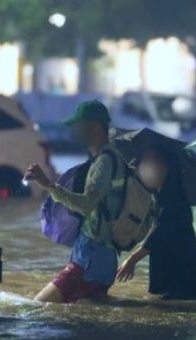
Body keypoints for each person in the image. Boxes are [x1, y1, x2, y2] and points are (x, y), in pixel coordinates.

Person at [25, 100, 124, 303]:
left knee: (37, 307)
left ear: (94, 127)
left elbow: (87, 204)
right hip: (100, 259)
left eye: (79, 125)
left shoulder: (104, 161)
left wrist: (48, 185)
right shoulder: (109, 157)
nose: (75, 130)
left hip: (90, 260)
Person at [116, 147, 196, 300]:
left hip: (180, 283)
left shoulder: (174, 202)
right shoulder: (161, 198)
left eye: (155, 163)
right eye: (146, 163)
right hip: (176, 281)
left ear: (168, 168)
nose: (147, 168)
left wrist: (132, 260)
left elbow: (158, 233)